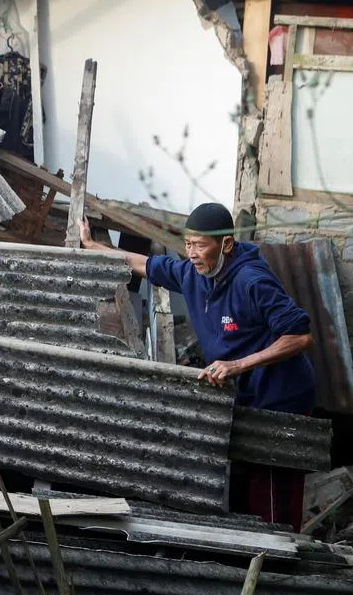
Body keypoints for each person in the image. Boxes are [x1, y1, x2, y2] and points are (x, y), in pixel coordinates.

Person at [79, 201, 316, 527]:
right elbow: (144, 264)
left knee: (273, 496)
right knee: (241, 487)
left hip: (282, 399)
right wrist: (93, 246)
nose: (191, 252)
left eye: (200, 245)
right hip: (244, 398)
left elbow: (300, 337)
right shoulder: (192, 274)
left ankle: (279, 562)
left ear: (226, 245)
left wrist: (238, 365)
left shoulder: (252, 281)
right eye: (188, 244)